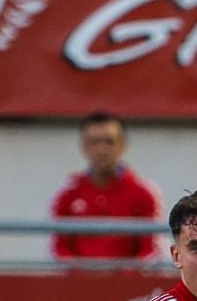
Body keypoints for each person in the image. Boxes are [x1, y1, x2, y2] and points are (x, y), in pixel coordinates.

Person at [49, 112, 160, 262]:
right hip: (78, 283)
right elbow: (59, 247)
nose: (101, 150)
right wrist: (81, 276)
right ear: (83, 146)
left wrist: (123, 278)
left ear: (122, 145)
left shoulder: (144, 192)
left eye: (109, 142)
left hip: (128, 283)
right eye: (94, 142)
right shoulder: (67, 193)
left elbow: (151, 249)